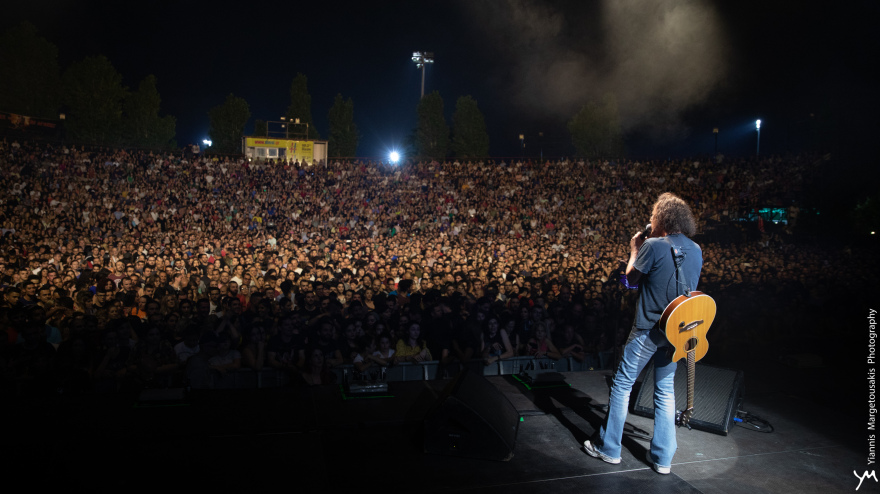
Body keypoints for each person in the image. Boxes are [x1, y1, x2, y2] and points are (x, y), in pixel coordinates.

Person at [583, 192, 702, 476]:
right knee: (664, 391)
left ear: (661, 218)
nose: (650, 221)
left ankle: (609, 449)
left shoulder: (654, 246)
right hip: (676, 331)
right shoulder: (696, 249)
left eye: (652, 217)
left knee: (623, 385)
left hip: (647, 329)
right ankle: (663, 459)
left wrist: (635, 249)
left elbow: (630, 281)